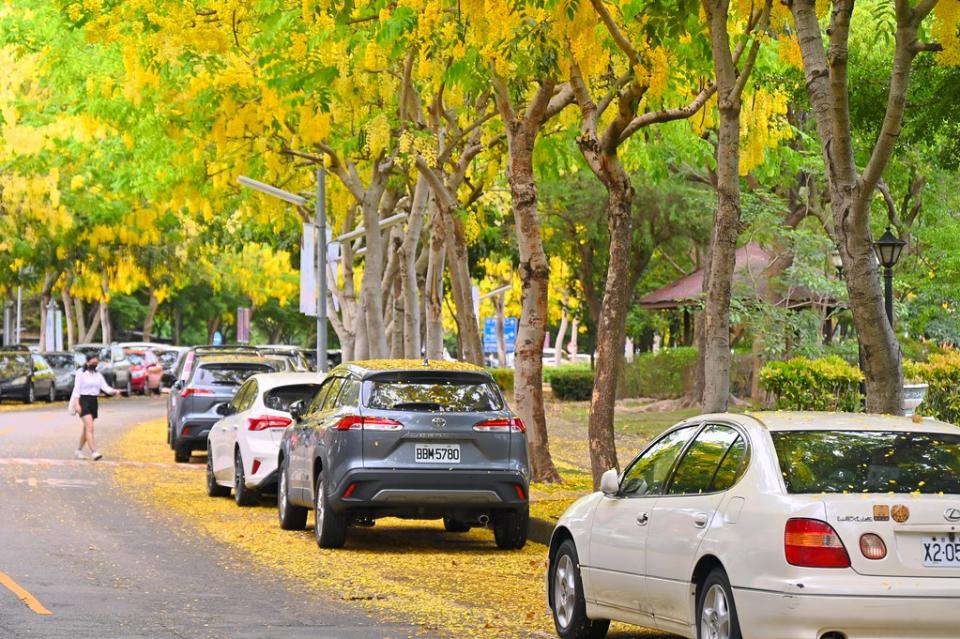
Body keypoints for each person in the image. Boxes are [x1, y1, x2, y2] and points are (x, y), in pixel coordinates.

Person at [69, 353, 119, 461]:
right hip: (83, 400)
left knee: (87, 428)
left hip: (93, 401)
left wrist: (114, 391)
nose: (94, 364)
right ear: (87, 362)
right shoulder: (81, 373)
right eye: (93, 362)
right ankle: (94, 452)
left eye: (96, 363)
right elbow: (77, 389)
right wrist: (77, 404)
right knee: (90, 427)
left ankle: (78, 450)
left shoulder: (98, 375)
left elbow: (105, 388)